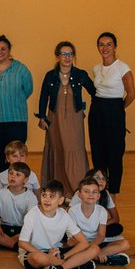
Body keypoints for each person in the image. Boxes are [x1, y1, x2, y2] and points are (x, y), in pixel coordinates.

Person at [36, 41, 92, 197]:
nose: (67, 57)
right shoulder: (50, 75)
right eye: (64, 54)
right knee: (58, 149)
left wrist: (87, 108)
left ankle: (78, 189)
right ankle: (58, 189)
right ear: (57, 56)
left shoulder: (80, 74)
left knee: (74, 149)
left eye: (70, 54)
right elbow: (43, 97)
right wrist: (42, 117)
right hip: (55, 118)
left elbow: (95, 91)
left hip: (74, 118)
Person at [0, 35, 34, 178]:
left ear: (9, 50)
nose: (0, 52)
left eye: (3, 49)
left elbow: (28, 90)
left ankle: (17, 184)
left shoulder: (21, 70)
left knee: (16, 154)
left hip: (16, 120)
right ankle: (0, 186)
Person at [89, 32, 135, 195]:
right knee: (97, 152)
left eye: (109, 44)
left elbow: (131, 94)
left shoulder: (123, 68)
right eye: (101, 45)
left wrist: (118, 109)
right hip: (97, 111)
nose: (105, 48)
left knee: (114, 154)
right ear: (98, 47)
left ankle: (113, 191)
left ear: (115, 47)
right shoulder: (96, 68)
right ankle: (100, 190)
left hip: (114, 110)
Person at [17, 181, 95, 269]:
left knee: (94, 249)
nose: (47, 199)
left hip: (55, 252)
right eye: (44, 195)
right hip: (35, 252)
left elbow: (84, 242)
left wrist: (64, 256)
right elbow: (22, 243)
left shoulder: (64, 215)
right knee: (36, 258)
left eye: (52, 196)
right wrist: (47, 256)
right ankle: (72, 265)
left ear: (60, 200)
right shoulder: (32, 214)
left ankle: (57, 267)